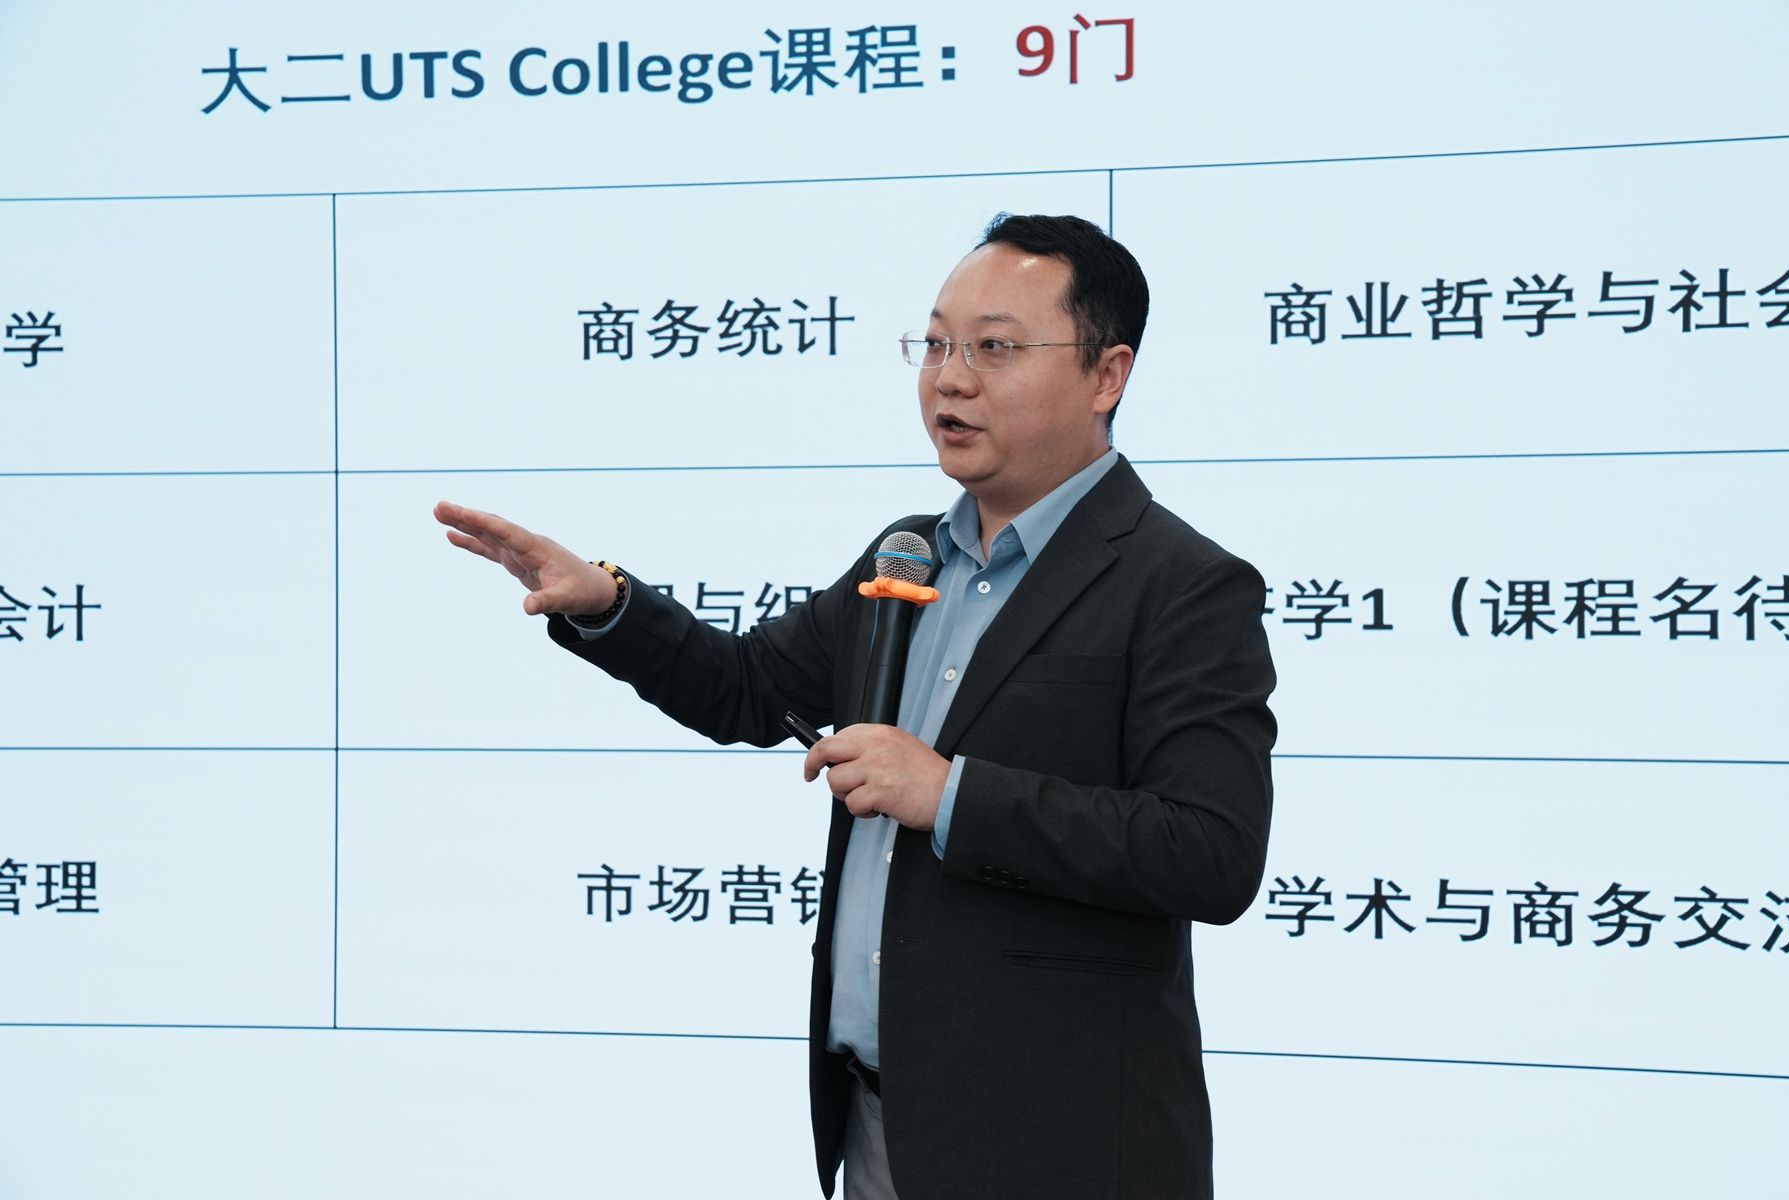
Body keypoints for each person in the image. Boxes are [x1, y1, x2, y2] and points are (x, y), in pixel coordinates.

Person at [436, 213, 1276, 1199]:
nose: (950, 380)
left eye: (995, 348)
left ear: (1108, 375)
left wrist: (949, 794)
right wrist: (607, 605)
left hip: (1063, 1146)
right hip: (882, 1125)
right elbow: (748, 688)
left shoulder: (1181, 584)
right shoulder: (908, 556)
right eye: (935, 345)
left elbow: (1209, 851)